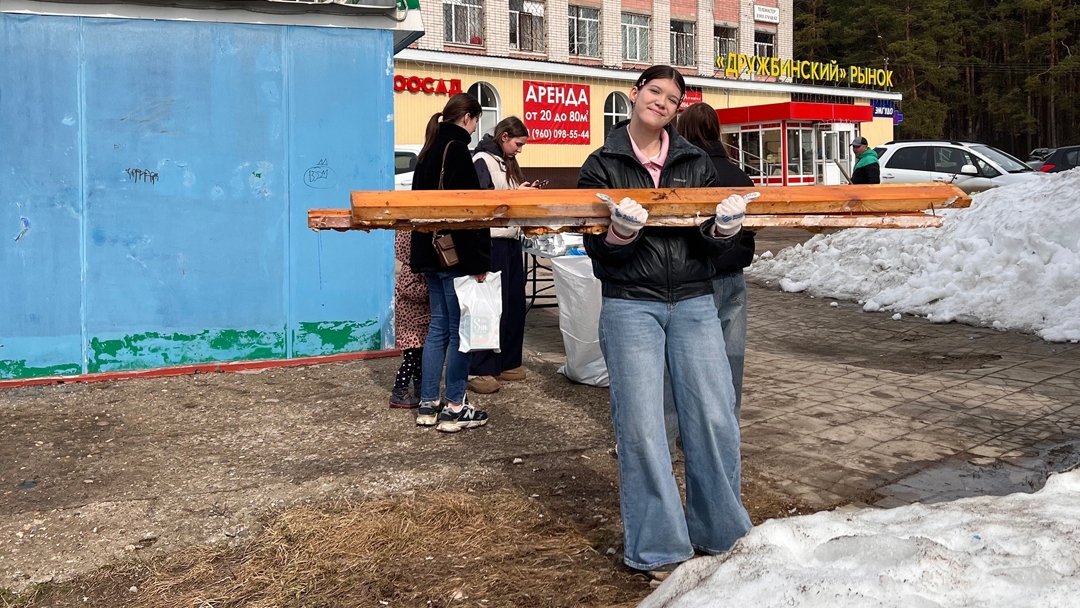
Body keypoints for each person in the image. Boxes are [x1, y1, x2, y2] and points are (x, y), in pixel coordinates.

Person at [578, 66, 752, 579]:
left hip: (695, 302)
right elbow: (599, 256)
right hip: (630, 305)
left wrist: (722, 231)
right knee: (642, 426)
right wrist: (620, 235)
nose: (661, 101)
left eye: (672, 98)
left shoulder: (694, 161)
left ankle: (722, 534)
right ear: (634, 95)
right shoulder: (602, 163)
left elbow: (708, 246)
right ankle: (658, 547)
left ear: (678, 110)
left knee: (714, 417)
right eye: (654, 91)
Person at [664, 103, 755, 460]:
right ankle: (723, 436)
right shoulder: (740, 176)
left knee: (675, 363)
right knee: (730, 360)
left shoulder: (685, 175)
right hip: (732, 276)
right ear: (717, 131)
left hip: (691, 279)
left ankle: (669, 438)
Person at [409, 93, 492, 433]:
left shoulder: (427, 149)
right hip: (456, 255)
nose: (475, 128)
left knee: (438, 329)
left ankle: (428, 404)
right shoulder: (457, 150)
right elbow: (469, 212)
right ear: (467, 117)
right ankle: (455, 406)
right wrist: (479, 259)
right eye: (476, 121)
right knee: (461, 332)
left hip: (431, 253)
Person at [467, 116, 535, 395]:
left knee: (513, 304)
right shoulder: (482, 160)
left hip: (510, 240)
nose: (520, 149)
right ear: (504, 136)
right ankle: (480, 368)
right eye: (518, 144)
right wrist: (516, 195)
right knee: (488, 305)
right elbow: (483, 203)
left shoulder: (507, 162)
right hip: (492, 241)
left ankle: (507, 361)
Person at [389, 230, 429, 408]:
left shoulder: (415, 267)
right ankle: (399, 390)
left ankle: (420, 387)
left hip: (418, 324)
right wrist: (430, 289)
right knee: (411, 360)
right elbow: (410, 290)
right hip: (411, 327)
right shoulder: (411, 269)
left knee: (419, 359)